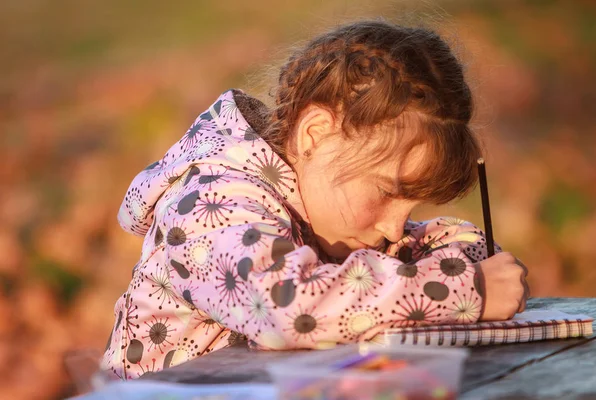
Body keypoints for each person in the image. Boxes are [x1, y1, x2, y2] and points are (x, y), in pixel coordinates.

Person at [101, 19, 530, 380]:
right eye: (386, 192)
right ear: (316, 134)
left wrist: (475, 263)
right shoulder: (210, 204)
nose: (394, 228)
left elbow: (418, 253)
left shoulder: (321, 208)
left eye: (412, 207)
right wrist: (463, 290)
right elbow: (285, 307)